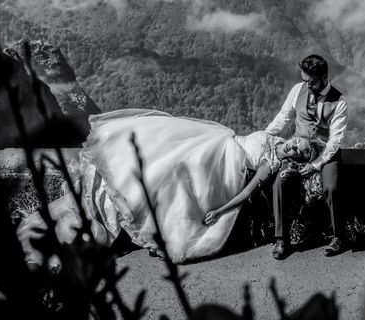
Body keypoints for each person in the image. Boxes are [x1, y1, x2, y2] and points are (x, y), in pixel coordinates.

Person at [17, 109, 313, 264]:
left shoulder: (271, 164)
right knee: (165, 156)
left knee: (178, 185)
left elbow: (246, 194)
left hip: (224, 166)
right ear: (295, 137)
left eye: (300, 152)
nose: (296, 148)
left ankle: (158, 232)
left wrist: (219, 212)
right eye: (299, 143)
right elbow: (286, 112)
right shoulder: (273, 135)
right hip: (220, 142)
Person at [265, 54, 348, 259]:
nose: (307, 85)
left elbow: (335, 140)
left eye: (311, 82)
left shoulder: (340, 101)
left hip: (325, 152)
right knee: (280, 183)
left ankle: (339, 237)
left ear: (325, 76)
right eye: (305, 80)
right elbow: (284, 117)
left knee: (332, 186)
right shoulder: (297, 90)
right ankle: (281, 239)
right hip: (297, 149)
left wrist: (317, 164)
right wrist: (264, 137)